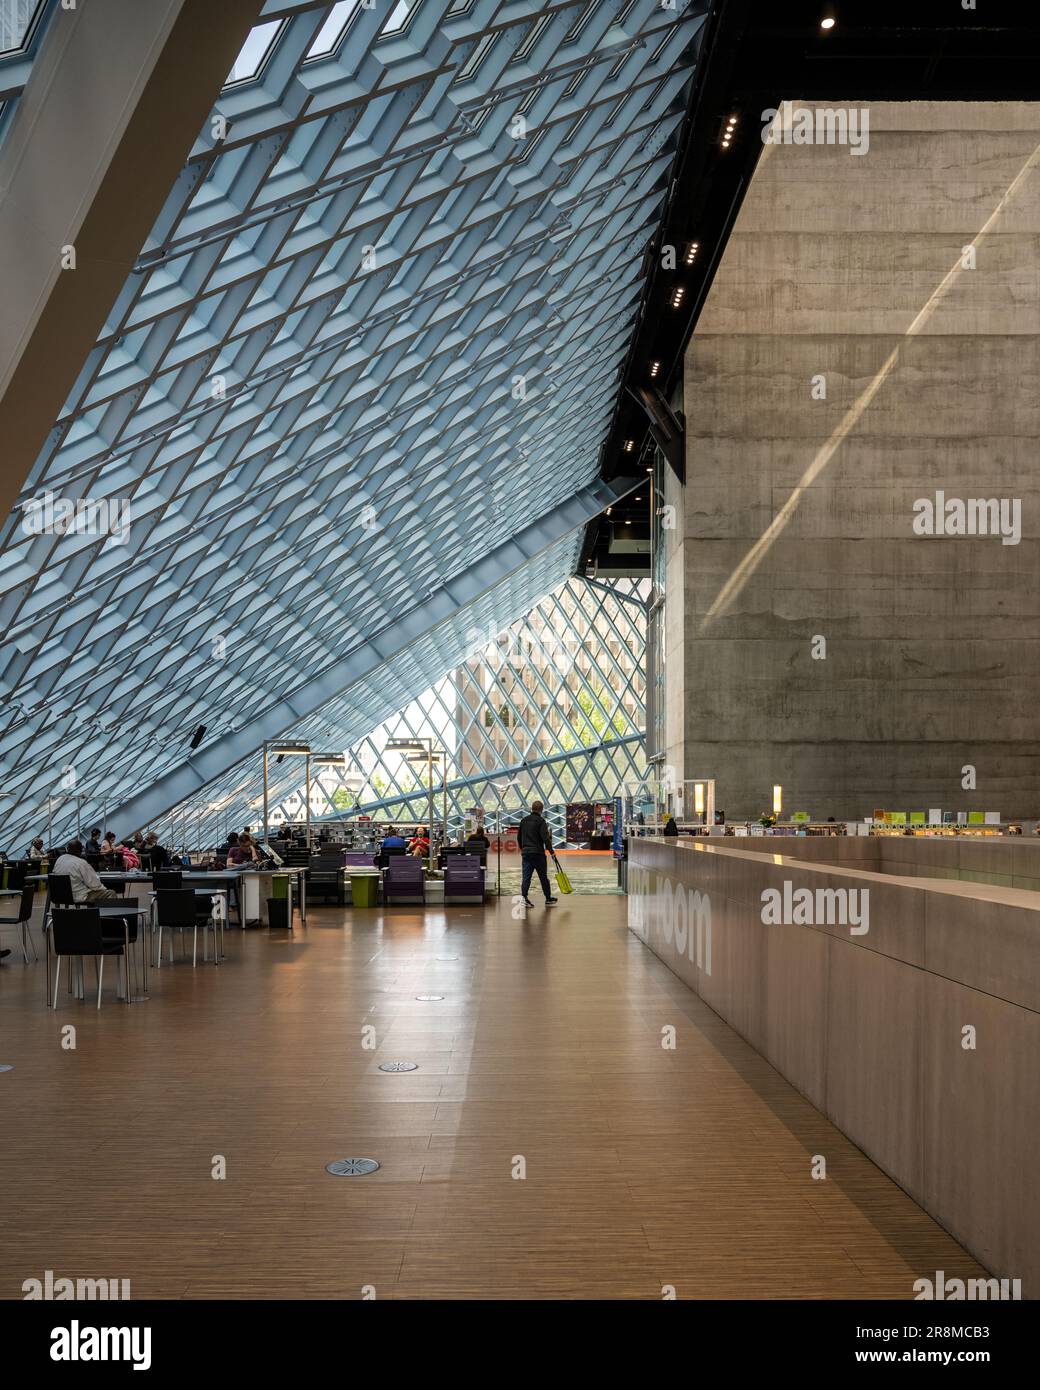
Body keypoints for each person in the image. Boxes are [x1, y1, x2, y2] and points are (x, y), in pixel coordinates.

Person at [50, 840, 121, 904]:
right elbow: (95, 884)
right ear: (80, 851)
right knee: (110, 893)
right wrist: (104, 889)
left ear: (67, 849)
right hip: (78, 897)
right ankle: (107, 917)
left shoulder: (59, 859)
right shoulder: (81, 863)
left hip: (59, 895)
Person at [517, 800, 557, 907]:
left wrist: (523, 849)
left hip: (526, 854)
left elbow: (519, 837)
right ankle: (548, 898)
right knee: (543, 877)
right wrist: (552, 852)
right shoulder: (541, 821)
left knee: (526, 877)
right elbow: (546, 839)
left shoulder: (523, 821)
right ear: (541, 810)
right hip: (538, 854)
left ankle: (524, 898)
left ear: (532, 808)